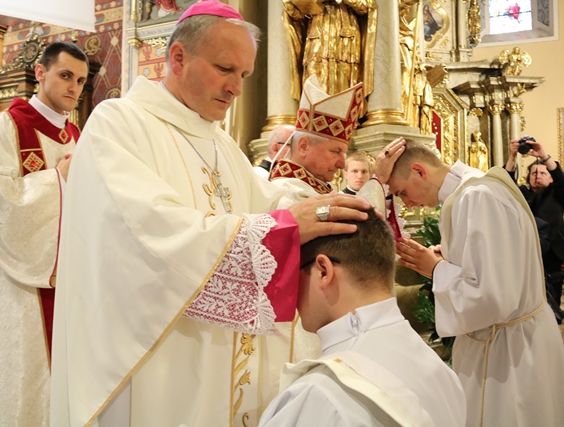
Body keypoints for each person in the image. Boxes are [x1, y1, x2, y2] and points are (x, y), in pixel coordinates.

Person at [50, 3, 371, 427]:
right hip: (157, 365)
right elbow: (146, 235)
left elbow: (268, 202)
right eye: (225, 69)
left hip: (222, 363)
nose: (235, 87)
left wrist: (322, 216)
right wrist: (285, 226)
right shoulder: (119, 123)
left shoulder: (220, 143)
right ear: (178, 57)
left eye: (244, 75)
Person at [375, 138, 564, 426]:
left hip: (507, 351)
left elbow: (492, 297)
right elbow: (499, 265)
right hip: (515, 340)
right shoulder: (473, 189)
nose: (408, 203)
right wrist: (450, 258)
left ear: (419, 171)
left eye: (402, 192)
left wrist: (436, 269)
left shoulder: (476, 196)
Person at [0, 41, 89, 427]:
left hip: (66, 278)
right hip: (15, 283)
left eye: (81, 80)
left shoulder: (75, 134)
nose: (74, 88)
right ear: (40, 73)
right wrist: (57, 180)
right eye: (66, 76)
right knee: (23, 376)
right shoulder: (7, 127)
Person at [259, 209, 466, 427]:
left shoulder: (320, 395)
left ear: (323, 271)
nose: (291, 295)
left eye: (293, 274)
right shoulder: (443, 373)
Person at [270, 74, 363, 201]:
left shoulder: (313, 187)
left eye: (343, 153)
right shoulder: (288, 193)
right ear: (303, 146)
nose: (342, 164)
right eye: (336, 151)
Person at [504, 138, 564, 322]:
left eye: (543, 173)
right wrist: (512, 156)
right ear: (529, 177)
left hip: (551, 257)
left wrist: (543, 156)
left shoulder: (557, 193)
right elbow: (504, 184)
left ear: (551, 178)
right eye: (534, 173)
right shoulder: (523, 194)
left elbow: (560, 179)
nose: (538, 176)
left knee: (552, 308)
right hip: (524, 255)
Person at [282, 0, 376, 98]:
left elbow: (365, 7)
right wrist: (289, 3)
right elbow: (297, 15)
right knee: (314, 73)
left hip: (345, 36)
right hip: (317, 35)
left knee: (343, 76)